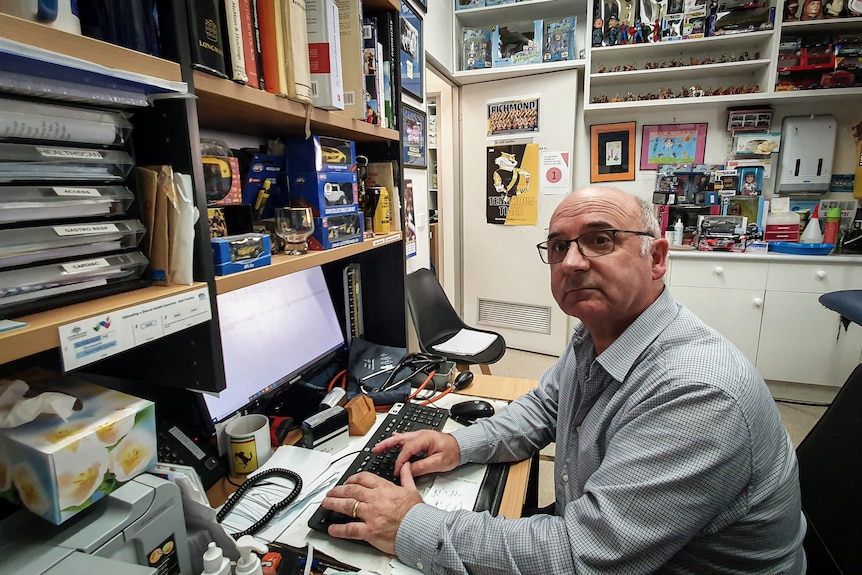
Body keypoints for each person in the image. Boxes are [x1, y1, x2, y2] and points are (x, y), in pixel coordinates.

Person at [321, 186, 806, 574]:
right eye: (558, 247)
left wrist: (409, 524)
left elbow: (579, 558)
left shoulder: (697, 396)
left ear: (656, 258)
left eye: (601, 240)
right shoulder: (598, 334)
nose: (572, 262)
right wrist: (460, 445)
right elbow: (544, 408)